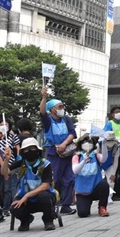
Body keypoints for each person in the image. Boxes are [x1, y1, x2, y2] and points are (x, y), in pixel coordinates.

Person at [1, 138, 58, 231]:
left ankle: (48, 220)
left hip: (44, 198)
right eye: (26, 149)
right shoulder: (21, 164)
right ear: (23, 152)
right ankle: (25, 220)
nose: (29, 151)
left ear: (38, 150)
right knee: (14, 207)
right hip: (25, 199)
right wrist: (6, 160)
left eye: (32, 148)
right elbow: (5, 173)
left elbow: (45, 186)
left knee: (43, 196)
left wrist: (27, 196)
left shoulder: (45, 164)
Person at [40, 87, 77, 215]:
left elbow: (72, 133)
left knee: (69, 179)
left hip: (67, 152)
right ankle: (51, 204)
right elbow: (42, 112)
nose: (62, 108)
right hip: (53, 152)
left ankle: (66, 205)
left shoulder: (66, 119)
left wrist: (64, 143)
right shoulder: (48, 121)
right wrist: (44, 97)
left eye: (62, 106)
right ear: (52, 109)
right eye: (59, 106)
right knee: (54, 179)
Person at [72, 134, 110, 217]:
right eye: (85, 142)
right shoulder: (77, 157)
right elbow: (75, 170)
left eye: (89, 142)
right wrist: (83, 161)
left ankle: (102, 207)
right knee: (83, 213)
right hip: (83, 192)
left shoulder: (96, 156)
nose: (87, 144)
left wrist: (103, 144)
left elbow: (104, 158)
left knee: (104, 185)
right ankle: (86, 204)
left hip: (95, 189)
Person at [103, 106, 120, 201]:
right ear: (112, 114)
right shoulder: (110, 123)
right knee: (114, 173)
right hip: (114, 151)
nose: (119, 114)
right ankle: (111, 192)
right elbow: (105, 135)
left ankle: (118, 192)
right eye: (117, 112)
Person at [1, 118, 20, 218]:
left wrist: (18, 157)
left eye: (6, 124)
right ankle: (5, 208)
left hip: (12, 165)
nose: (4, 126)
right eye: (2, 124)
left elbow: (18, 147)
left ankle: (12, 207)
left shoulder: (12, 136)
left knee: (11, 187)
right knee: (4, 189)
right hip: (2, 165)